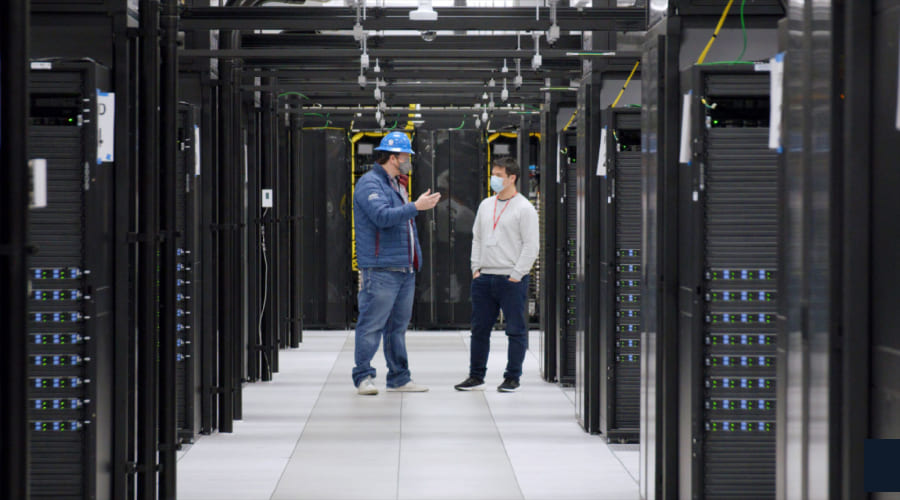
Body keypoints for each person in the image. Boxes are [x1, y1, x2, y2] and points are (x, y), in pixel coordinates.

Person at [352, 131, 441, 395]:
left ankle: (399, 377)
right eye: (406, 156)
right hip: (381, 269)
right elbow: (382, 217)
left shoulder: (396, 184)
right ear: (393, 157)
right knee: (371, 325)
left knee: (397, 328)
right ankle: (363, 377)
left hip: (404, 269)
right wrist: (416, 206)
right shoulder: (370, 184)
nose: (409, 160)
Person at [455, 156, 539, 393]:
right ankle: (476, 375)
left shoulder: (525, 208)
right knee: (479, 329)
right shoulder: (485, 205)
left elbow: (531, 246)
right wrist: (475, 268)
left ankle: (512, 377)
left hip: (511, 279)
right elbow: (478, 238)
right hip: (484, 278)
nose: (494, 179)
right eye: (494, 174)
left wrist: (517, 274)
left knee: (515, 329)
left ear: (512, 178)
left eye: (499, 175)